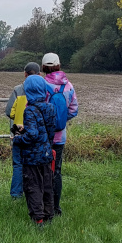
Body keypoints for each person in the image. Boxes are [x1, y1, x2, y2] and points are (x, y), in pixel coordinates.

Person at [11, 74, 57, 225]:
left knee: (33, 187)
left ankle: (38, 219)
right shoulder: (50, 107)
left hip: (32, 157)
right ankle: (49, 214)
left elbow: (32, 135)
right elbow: (49, 130)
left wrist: (17, 138)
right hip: (47, 153)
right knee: (46, 185)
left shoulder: (29, 110)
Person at [41, 52, 78, 217]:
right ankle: (56, 207)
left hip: (42, 135)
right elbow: (74, 109)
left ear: (43, 66)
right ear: (58, 65)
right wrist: (61, 121)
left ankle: (42, 205)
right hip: (60, 137)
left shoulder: (40, 84)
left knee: (42, 169)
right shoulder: (68, 86)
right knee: (57, 170)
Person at [4, 62, 42, 199]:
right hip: (36, 132)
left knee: (18, 164)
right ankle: (33, 193)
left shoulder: (18, 89)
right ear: (39, 75)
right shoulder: (43, 91)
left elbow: (9, 111)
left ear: (25, 74)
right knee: (34, 164)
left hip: (18, 133)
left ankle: (16, 194)